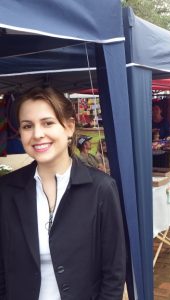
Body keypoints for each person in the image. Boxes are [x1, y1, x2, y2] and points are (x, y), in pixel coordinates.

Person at [0, 87, 126, 299]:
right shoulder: (7, 190)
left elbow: (114, 272)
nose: (37, 134)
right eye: (27, 126)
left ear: (69, 127)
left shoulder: (101, 189)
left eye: (47, 123)